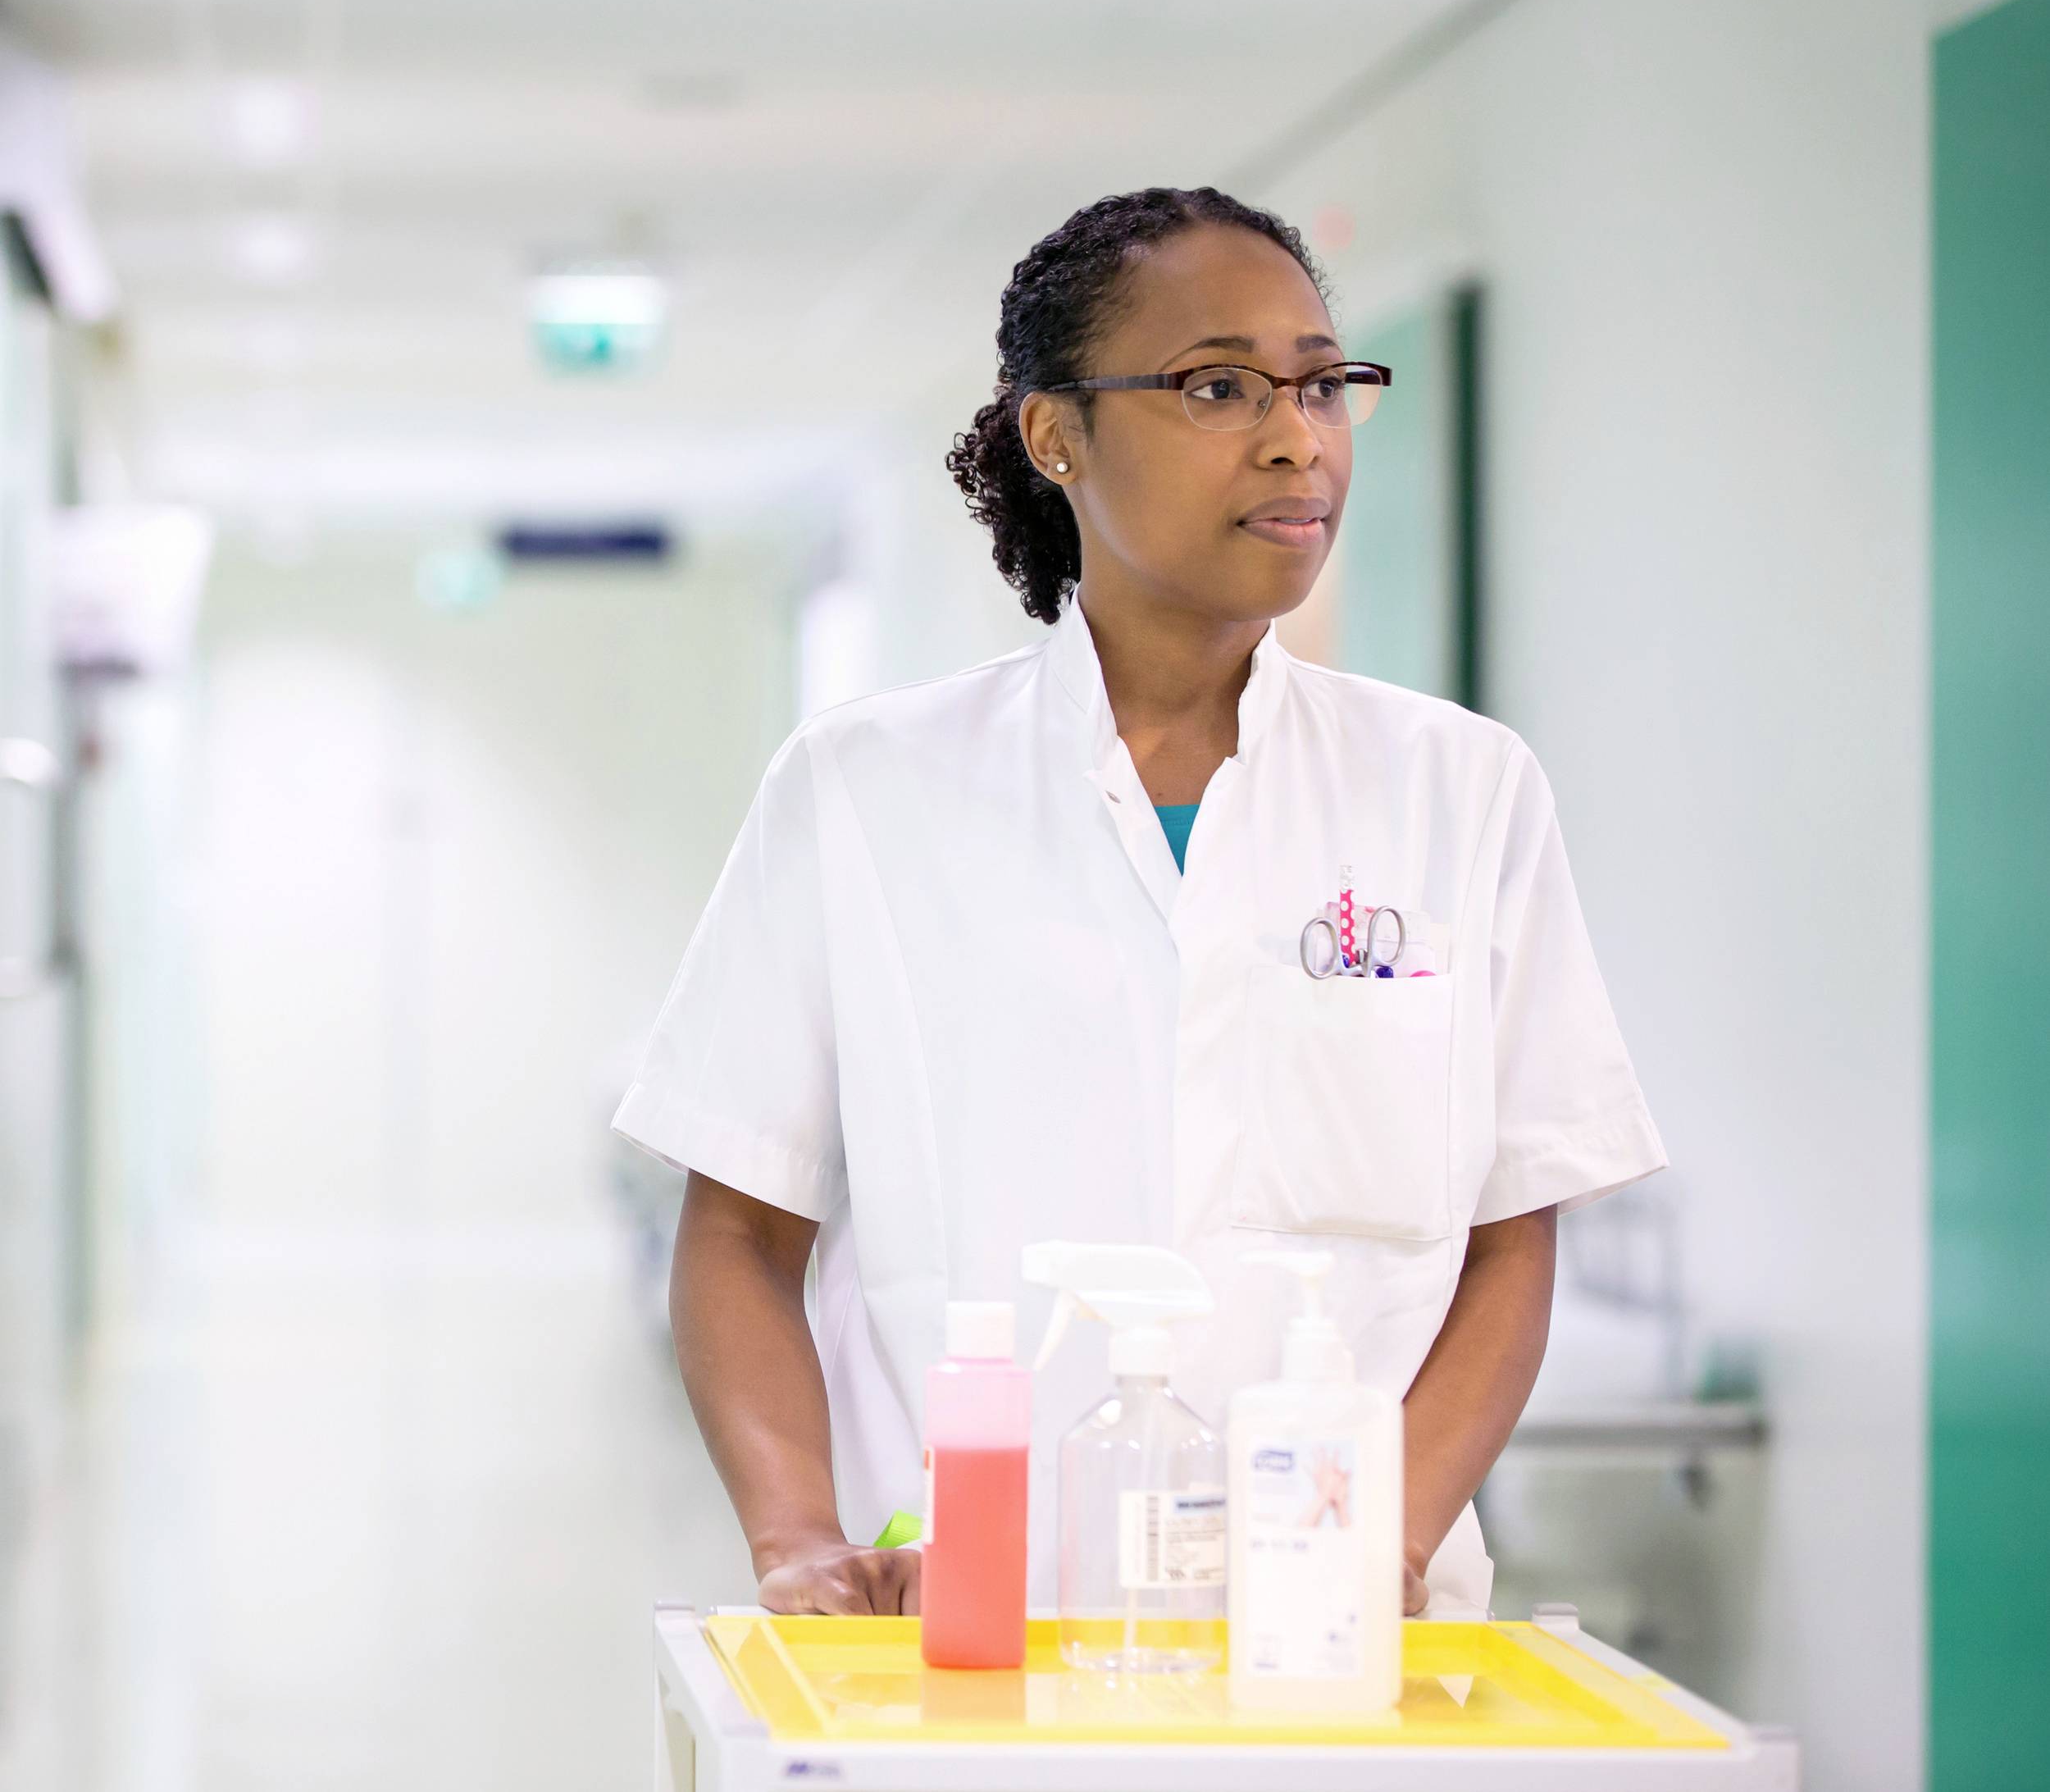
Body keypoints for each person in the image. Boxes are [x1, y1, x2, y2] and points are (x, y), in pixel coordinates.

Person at [615, 186, 1665, 1618]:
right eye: (1218, 386)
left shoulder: (1458, 791)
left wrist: (1386, 1544)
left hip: (1340, 1653)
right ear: (1056, 435)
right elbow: (737, 1230)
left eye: (1323, 382)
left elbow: (1508, 1230)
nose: (1298, 435)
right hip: (959, 1624)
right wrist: (798, 1535)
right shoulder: (865, 789)